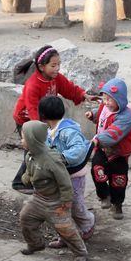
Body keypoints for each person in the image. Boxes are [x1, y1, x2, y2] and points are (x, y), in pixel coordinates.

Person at [11, 44, 98, 192]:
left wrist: (84, 95)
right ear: (41, 66)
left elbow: (69, 88)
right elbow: (32, 109)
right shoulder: (32, 85)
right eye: (53, 65)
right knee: (34, 150)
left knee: (40, 150)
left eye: (59, 64)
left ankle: (39, 178)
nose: (57, 68)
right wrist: (40, 130)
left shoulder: (55, 78)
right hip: (27, 121)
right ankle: (21, 182)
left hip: (43, 119)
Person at [19, 120, 89, 261]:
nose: (21, 141)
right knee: (26, 217)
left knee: (65, 228)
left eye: (23, 138)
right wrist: (25, 178)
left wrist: (66, 202)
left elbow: (65, 182)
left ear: (33, 140)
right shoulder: (30, 155)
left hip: (55, 202)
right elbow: (29, 172)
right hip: (38, 198)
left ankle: (80, 252)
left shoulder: (52, 159)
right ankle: (35, 243)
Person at [39, 96, 95, 249]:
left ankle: (87, 224)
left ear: (43, 115)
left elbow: (79, 149)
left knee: (75, 205)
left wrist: (61, 158)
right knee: (60, 208)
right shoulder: (48, 131)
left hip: (74, 176)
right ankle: (65, 235)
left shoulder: (67, 131)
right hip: (59, 176)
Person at [85, 78, 131, 220]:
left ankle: (117, 204)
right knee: (97, 169)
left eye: (110, 99)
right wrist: (93, 115)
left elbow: (113, 134)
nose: (106, 102)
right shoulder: (105, 106)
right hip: (102, 150)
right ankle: (104, 195)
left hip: (118, 153)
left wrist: (98, 139)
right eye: (104, 98)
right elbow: (102, 113)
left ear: (120, 100)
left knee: (118, 179)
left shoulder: (126, 117)